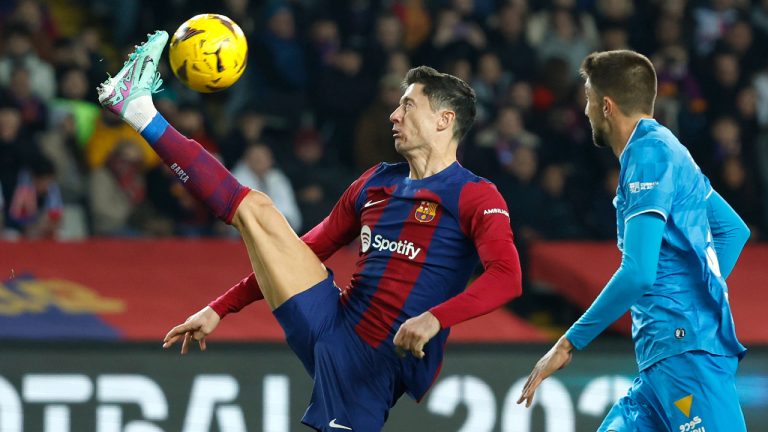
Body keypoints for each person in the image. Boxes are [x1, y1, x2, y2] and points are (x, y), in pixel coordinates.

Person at [97, 31, 522, 431]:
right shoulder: (376, 182)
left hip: (374, 363)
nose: (394, 114)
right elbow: (304, 250)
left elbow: (507, 277)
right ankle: (138, 109)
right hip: (330, 317)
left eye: (408, 106)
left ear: (444, 120)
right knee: (259, 210)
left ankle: (137, 108)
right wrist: (219, 308)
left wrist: (434, 318)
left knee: (259, 210)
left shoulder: (476, 196)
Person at [516, 50, 749, 432]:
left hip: (685, 356)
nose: (586, 108)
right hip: (662, 361)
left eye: (588, 98)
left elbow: (638, 272)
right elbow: (733, 231)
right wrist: (691, 296)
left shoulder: (649, 155)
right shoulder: (668, 149)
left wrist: (568, 343)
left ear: (606, 106)